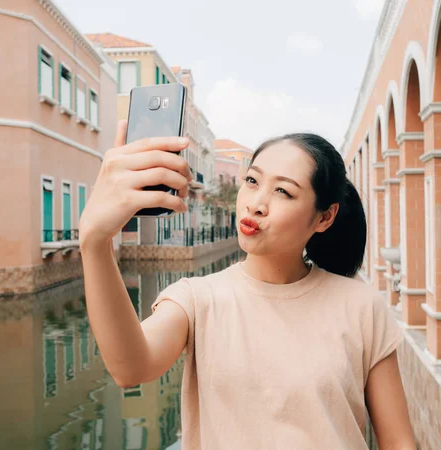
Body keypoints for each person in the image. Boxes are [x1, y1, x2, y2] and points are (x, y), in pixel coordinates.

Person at [79, 120, 416, 449]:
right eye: (252, 180)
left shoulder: (361, 306)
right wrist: (95, 243)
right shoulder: (195, 300)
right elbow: (130, 367)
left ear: (324, 217)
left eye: (283, 191)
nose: (256, 202)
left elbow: (398, 440)